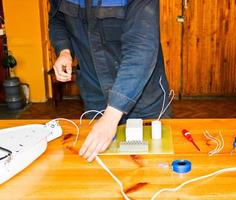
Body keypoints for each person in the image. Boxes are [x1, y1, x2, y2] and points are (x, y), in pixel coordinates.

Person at [48, 0, 171, 162]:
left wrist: (112, 115)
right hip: (95, 93)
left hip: (143, 96)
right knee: (102, 169)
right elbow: (57, 19)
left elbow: (140, 48)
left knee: (151, 166)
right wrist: (64, 50)